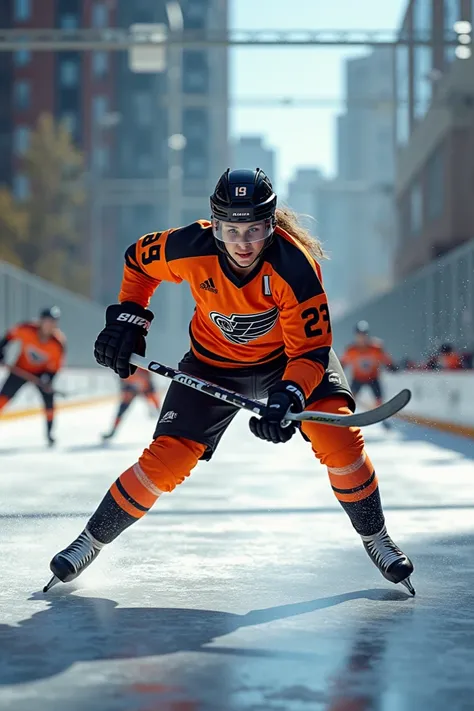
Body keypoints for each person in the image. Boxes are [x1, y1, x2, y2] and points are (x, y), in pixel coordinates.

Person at [44, 169, 414, 595]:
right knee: (166, 461)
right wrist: (130, 316)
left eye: (254, 229)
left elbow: (310, 353)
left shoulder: (296, 268)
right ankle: (89, 541)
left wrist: (288, 394)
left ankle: (376, 537)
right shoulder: (188, 246)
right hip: (211, 364)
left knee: (340, 440)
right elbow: (137, 261)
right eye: (231, 229)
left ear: (271, 225)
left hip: (289, 362)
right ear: (215, 224)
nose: (242, 242)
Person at [0, 306, 66, 446]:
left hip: (41, 374)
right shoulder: (26, 329)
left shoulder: (58, 343)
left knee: (49, 401)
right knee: (3, 397)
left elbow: (55, 367)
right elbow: (8, 337)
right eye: (47, 321)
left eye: (53, 322)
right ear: (40, 321)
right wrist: (1, 352)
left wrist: (48, 379)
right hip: (21, 369)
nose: (49, 325)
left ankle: (49, 434)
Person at [341, 321, 396, 430]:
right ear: (356, 335)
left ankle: (384, 419)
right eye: (359, 335)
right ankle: (346, 416)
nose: (361, 337)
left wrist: (391, 366)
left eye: (363, 334)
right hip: (358, 378)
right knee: (351, 399)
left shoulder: (376, 347)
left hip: (373, 378)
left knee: (379, 399)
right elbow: (343, 363)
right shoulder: (351, 350)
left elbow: (385, 358)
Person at [102, 369, 161, 441]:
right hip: (132, 388)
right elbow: (123, 380)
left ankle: (165, 430)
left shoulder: (143, 372)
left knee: (159, 409)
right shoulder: (129, 370)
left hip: (143, 387)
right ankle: (113, 431)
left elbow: (149, 381)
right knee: (121, 411)